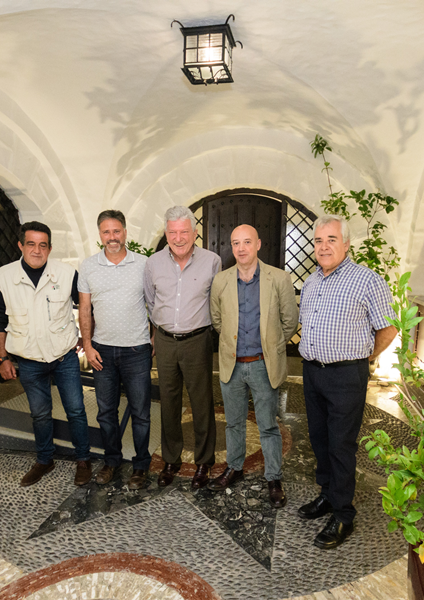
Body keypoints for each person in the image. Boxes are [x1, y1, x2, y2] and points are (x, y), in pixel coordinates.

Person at [298, 214, 397, 549]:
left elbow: (389, 327)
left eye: (331, 240)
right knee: (319, 439)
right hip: (312, 372)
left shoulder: (367, 280)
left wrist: (363, 358)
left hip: (345, 374)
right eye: (318, 241)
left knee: (341, 445)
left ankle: (343, 515)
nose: (324, 247)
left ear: (346, 244)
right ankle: (327, 494)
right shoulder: (312, 281)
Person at [0, 221, 92, 488]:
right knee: (40, 414)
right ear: (21, 245)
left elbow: (86, 308)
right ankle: (45, 460)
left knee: (77, 411)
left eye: (42, 245)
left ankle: (83, 460)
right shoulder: (2, 277)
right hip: (29, 361)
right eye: (31, 244)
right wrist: (2, 358)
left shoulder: (67, 274)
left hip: (64, 357)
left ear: (50, 248)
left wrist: (85, 339)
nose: (37, 250)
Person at [208, 225, 298, 507]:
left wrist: (270, 345)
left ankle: (273, 477)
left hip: (262, 364)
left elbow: (289, 321)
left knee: (268, 425)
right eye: (236, 243)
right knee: (233, 423)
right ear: (231, 247)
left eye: (247, 242)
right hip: (232, 365)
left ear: (258, 244)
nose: (241, 248)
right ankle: (234, 467)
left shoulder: (279, 278)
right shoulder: (221, 281)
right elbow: (217, 321)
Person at [144, 206, 221, 489]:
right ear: (166, 233)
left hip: (198, 340)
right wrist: (160, 329)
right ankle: (171, 459)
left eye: (184, 232)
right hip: (164, 341)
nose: (178, 238)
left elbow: (216, 301)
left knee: (202, 403)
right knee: (169, 402)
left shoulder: (212, 261)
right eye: (173, 232)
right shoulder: (153, 263)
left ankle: (204, 461)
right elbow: (151, 302)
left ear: (195, 232)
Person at [78, 210, 153, 490]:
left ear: (125, 232)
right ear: (100, 235)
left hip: (136, 351)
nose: (112, 237)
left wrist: (154, 336)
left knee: (141, 413)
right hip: (102, 352)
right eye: (106, 232)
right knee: (105, 412)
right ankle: (112, 461)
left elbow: (155, 303)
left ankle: (141, 465)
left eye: (117, 231)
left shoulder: (144, 264)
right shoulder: (88, 267)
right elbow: (85, 308)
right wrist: (87, 345)